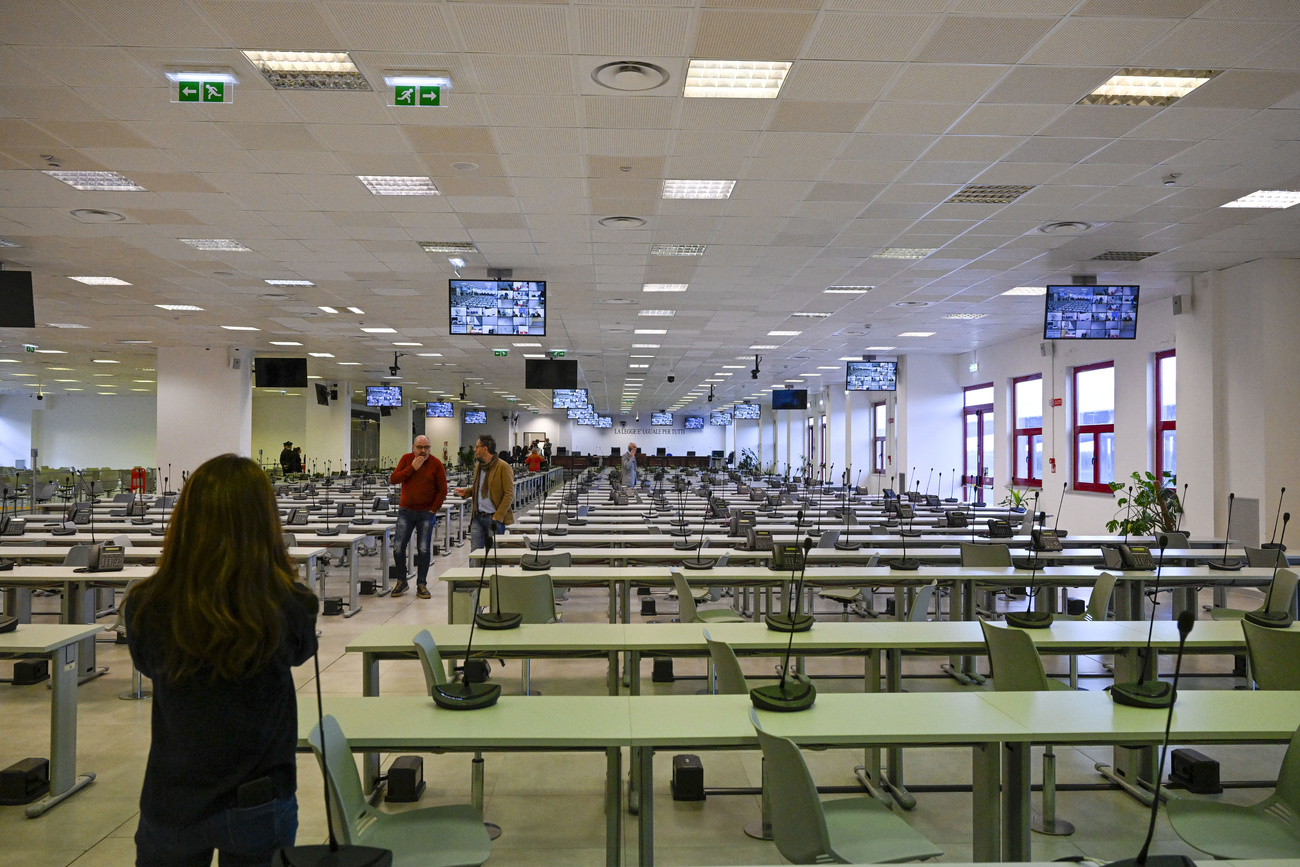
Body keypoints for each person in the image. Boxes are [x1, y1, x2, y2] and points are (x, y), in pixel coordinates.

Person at [124, 454, 318, 867]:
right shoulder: (288, 602)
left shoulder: (147, 603)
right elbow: (302, 652)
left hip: (173, 797)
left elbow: (146, 664)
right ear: (266, 522)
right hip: (260, 797)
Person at [388, 435, 447, 599]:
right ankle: (402, 581)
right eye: (419, 447)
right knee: (398, 547)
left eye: (426, 447)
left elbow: (443, 490)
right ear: (413, 447)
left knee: (423, 549)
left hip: (425, 513)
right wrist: (412, 468)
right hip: (406, 511)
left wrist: (434, 510)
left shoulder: (436, 464)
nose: (423, 451)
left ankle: (422, 584)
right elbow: (393, 479)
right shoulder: (407, 460)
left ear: (430, 448)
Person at [454, 434, 514, 551]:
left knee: (493, 557)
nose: (475, 449)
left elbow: (509, 494)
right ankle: (475, 570)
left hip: (494, 518)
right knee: (475, 554)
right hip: (478, 517)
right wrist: (466, 492)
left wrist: (498, 516)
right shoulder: (478, 467)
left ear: (485, 449)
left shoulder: (503, 467)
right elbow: (478, 488)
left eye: (477, 447)